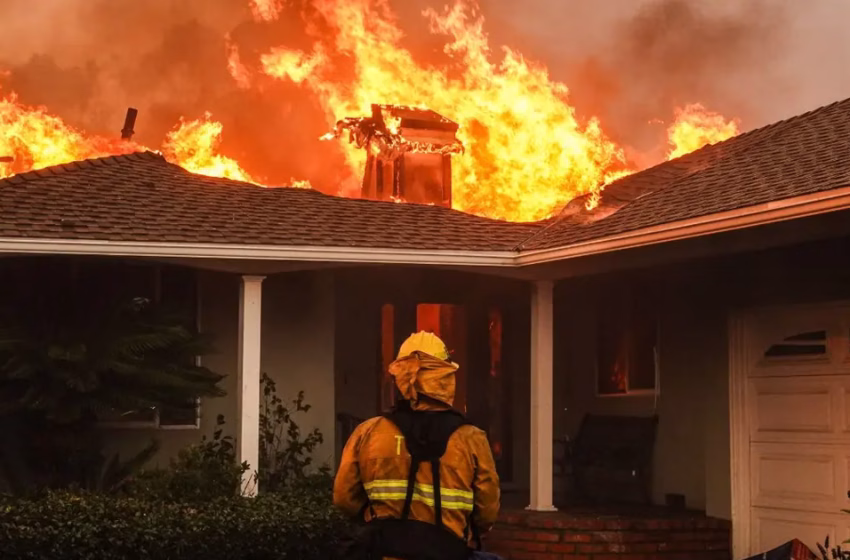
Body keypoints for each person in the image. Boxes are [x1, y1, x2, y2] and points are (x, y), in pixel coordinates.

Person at [334, 331, 501, 560]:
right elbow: (486, 514)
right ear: (445, 377)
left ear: (400, 376)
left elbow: (344, 500)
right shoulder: (472, 439)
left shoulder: (368, 433)